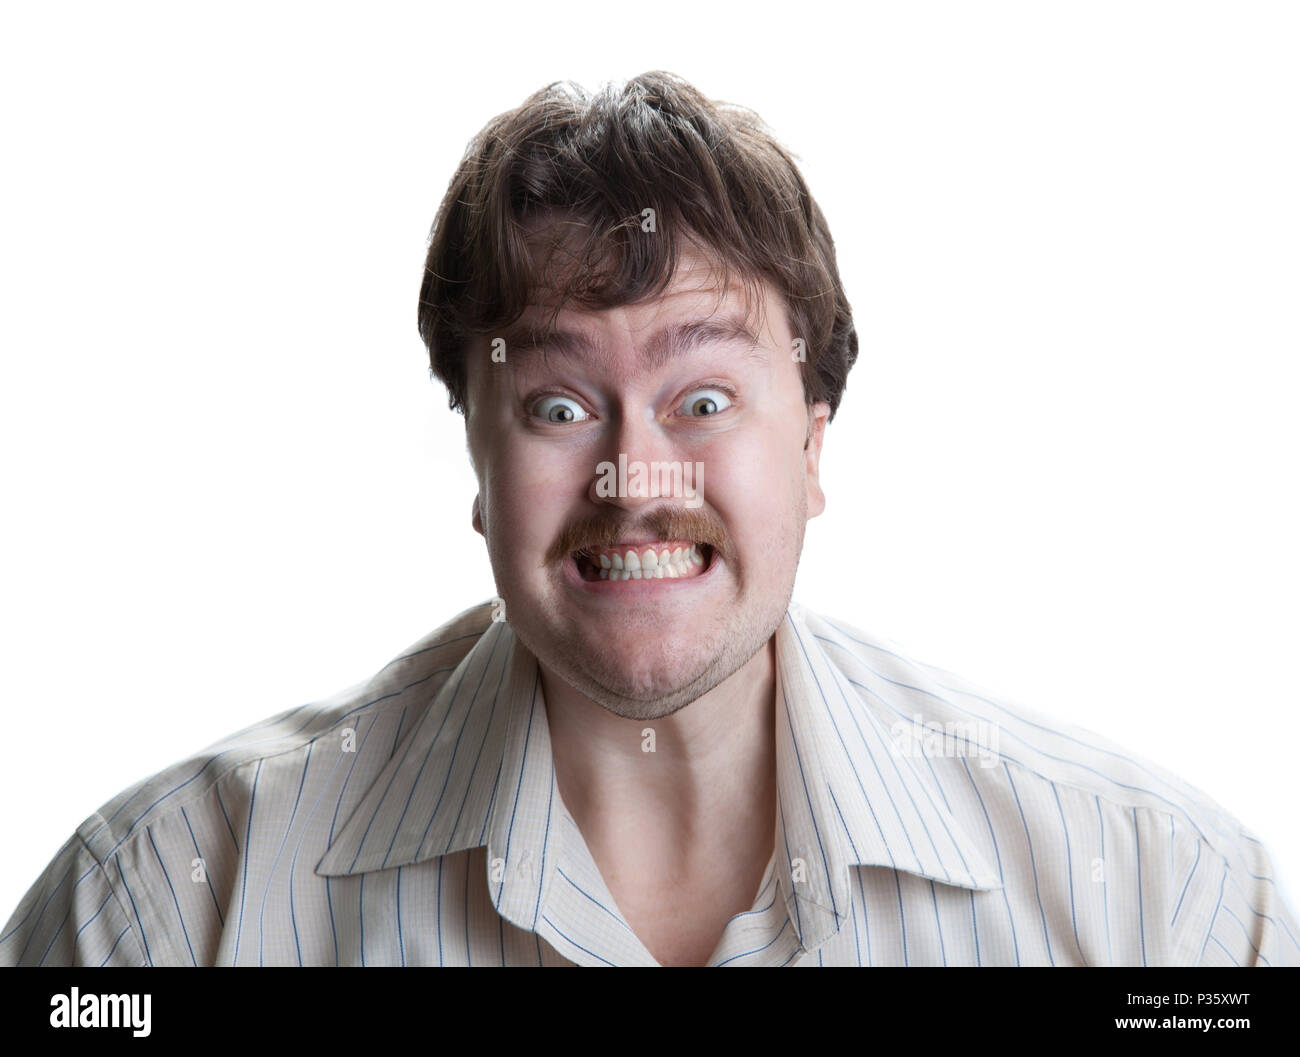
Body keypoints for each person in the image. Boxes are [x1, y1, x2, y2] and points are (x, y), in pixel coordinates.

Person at [3, 71, 1295, 968]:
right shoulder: (168, 906)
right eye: (560, 406)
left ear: (813, 440)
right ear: (477, 456)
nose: (635, 478)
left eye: (704, 395)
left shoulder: (1164, 903)